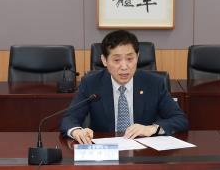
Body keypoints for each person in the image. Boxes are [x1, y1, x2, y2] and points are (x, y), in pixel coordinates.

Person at [60, 30, 188, 144]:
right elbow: (69, 119)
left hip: (143, 154)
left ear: (137, 58)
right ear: (104, 60)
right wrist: (77, 131)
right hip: (106, 154)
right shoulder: (91, 83)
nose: (124, 66)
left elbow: (180, 119)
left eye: (130, 59)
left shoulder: (154, 83)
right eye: (116, 60)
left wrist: (152, 128)